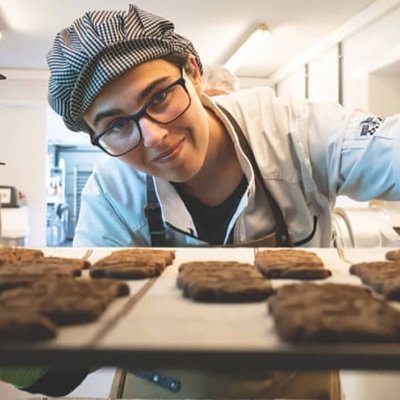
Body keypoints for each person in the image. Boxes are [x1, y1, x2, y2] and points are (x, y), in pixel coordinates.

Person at [2, 2, 400, 399]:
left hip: (298, 381)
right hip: (162, 386)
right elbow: (64, 366)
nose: (154, 137)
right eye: (118, 125)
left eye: (158, 98)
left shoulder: (291, 130)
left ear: (192, 72)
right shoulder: (112, 190)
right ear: (94, 135)